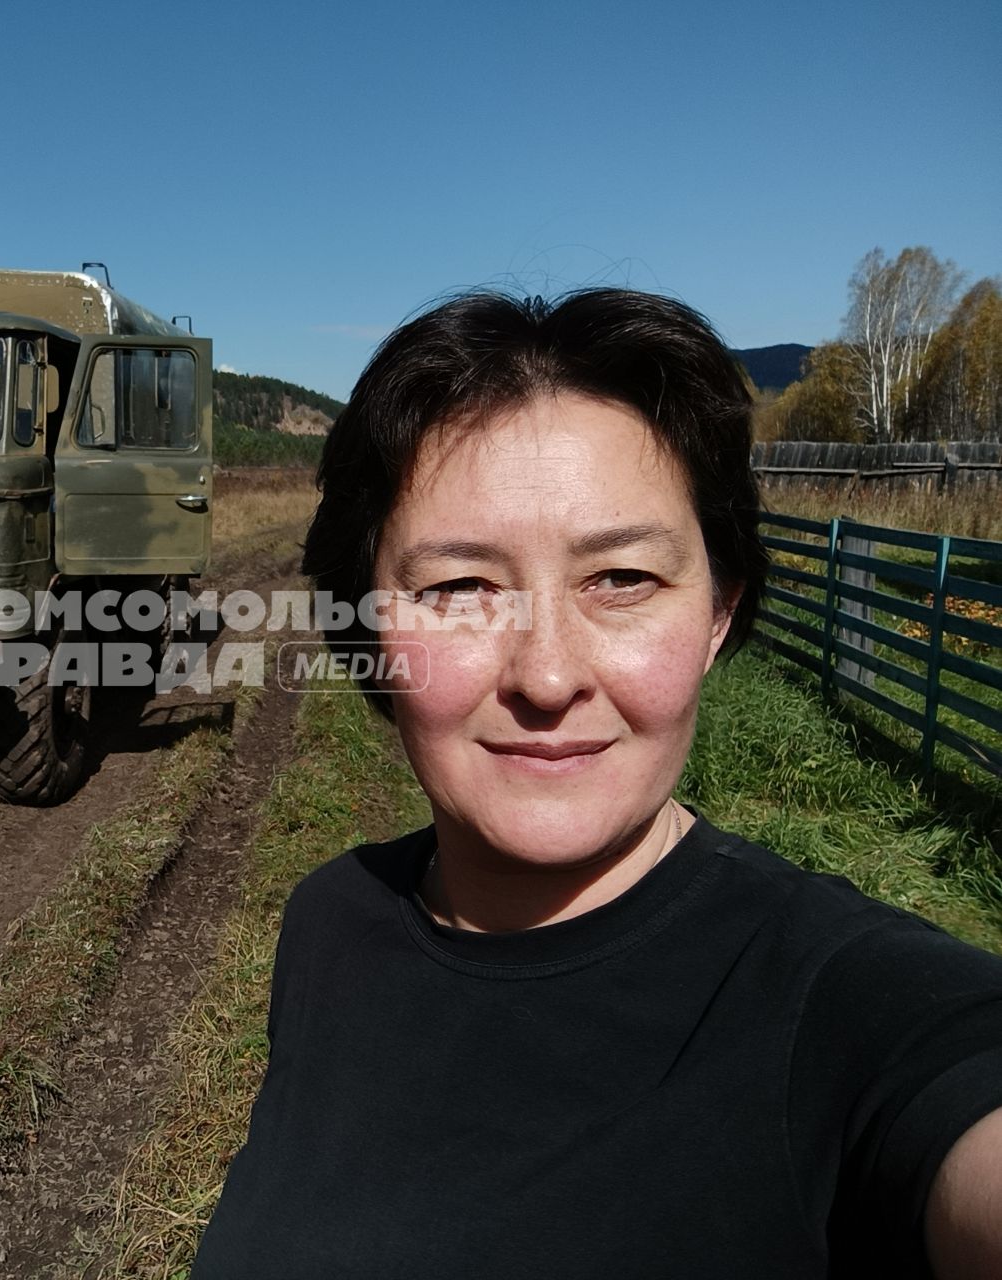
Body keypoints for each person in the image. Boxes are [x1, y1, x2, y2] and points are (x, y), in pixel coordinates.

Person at [191, 290, 1002, 1278]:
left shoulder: (854, 1006)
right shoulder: (330, 920)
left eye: (621, 578)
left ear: (717, 614)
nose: (546, 675)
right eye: (461, 586)